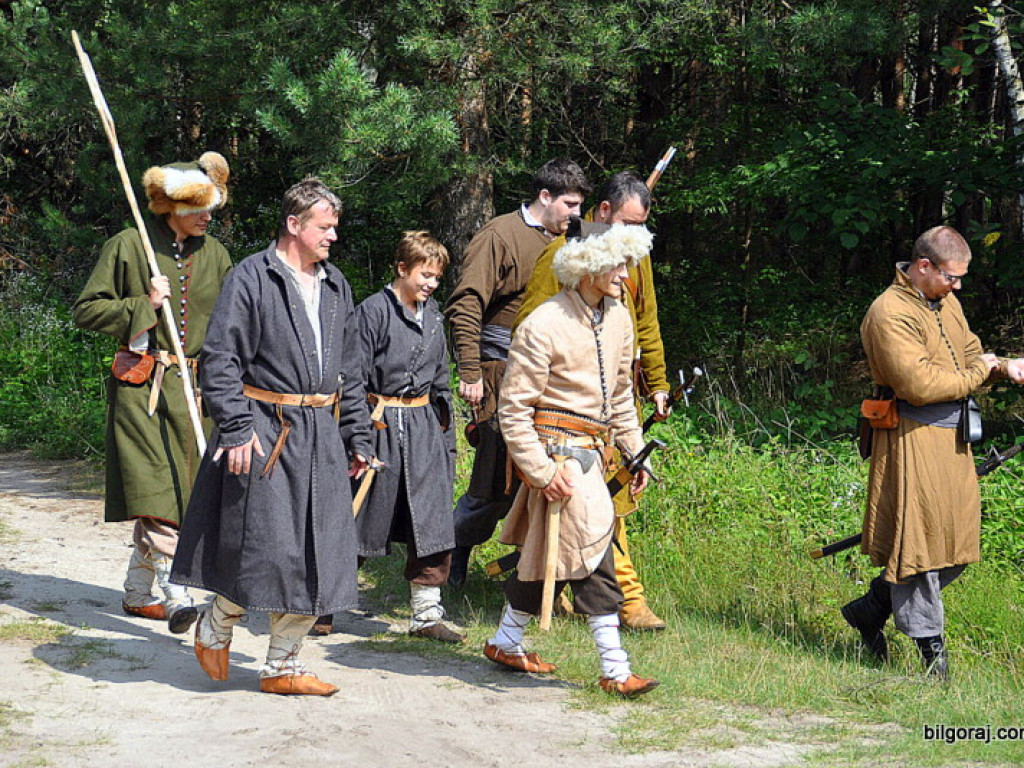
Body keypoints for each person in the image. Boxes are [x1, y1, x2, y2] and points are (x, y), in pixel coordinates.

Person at [170, 179, 373, 696]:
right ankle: (215, 623)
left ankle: (282, 666)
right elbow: (220, 359)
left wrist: (357, 438)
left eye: (333, 227)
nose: (333, 236)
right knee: (266, 552)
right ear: (294, 225)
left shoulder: (335, 285)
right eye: (324, 227)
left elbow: (349, 371)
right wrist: (236, 427)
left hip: (321, 437)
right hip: (265, 432)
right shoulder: (251, 279)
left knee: (317, 556)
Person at [483, 224, 659, 698]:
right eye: (618, 264)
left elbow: (621, 396)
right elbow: (514, 410)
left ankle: (505, 641)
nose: (626, 273)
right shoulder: (544, 323)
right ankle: (615, 669)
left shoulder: (620, 317)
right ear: (588, 268)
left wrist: (633, 452)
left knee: (544, 553)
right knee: (594, 551)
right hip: (558, 457)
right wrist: (540, 472)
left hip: (595, 456)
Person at [845, 225, 1018, 678]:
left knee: (956, 545)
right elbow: (920, 386)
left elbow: (970, 354)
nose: (957, 286)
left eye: (960, 278)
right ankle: (932, 661)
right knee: (919, 550)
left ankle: (871, 608)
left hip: (952, 439)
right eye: (950, 276)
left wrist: (1001, 365)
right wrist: (981, 370)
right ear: (924, 266)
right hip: (911, 439)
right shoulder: (888, 313)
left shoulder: (946, 302)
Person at [72, 151, 232, 634]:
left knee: (183, 497)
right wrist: (145, 304)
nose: (207, 217)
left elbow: (232, 326)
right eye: (199, 210)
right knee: (156, 494)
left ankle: (138, 593)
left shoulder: (217, 255)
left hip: (196, 395)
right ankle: (176, 593)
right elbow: (86, 310)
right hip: (142, 390)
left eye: (209, 209)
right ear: (173, 209)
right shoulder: (128, 246)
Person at [515, 170, 669, 631]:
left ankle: (521, 627)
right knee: (589, 515)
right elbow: (534, 330)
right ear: (603, 213)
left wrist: (656, 381)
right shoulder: (562, 258)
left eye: (641, 226)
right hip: (559, 424)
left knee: (607, 509)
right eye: (627, 223)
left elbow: (646, 324)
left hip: (607, 414)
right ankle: (619, 612)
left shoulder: (631, 263)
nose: (633, 237)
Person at [446, 158, 591, 587]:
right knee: (494, 482)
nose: (575, 214)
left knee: (547, 479)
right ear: (544, 197)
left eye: (581, 206)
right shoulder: (500, 235)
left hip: (552, 378)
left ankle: (536, 579)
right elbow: (466, 303)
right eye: (569, 204)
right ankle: (449, 556)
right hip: (499, 373)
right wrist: (470, 372)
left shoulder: (574, 238)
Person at [315, 232, 463, 642]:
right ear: (402, 269)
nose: (431, 284)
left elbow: (441, 382)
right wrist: (359, 439)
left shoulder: (434, 318)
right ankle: (325, 604)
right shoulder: (372, 313)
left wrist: (444, 441)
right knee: (359, 518)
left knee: (431, 523)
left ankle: (426, 614)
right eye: (424, 275)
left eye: (436, 277)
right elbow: (352, 379)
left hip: (423, 433)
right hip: (378, 428)